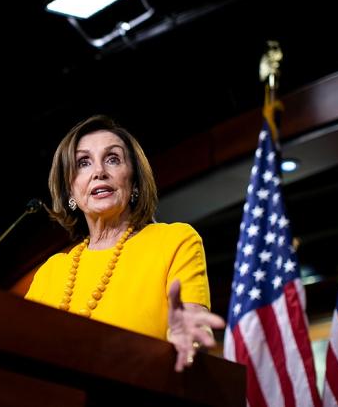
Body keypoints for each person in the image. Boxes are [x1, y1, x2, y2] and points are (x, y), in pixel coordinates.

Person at [25, 114, 225, 372]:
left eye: (113, 159)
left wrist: (189, 338)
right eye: (83, 163)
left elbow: (193, 328)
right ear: (69, 191)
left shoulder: (174, 241)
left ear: (134, 182)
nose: (99, 172)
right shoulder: (50, 272)